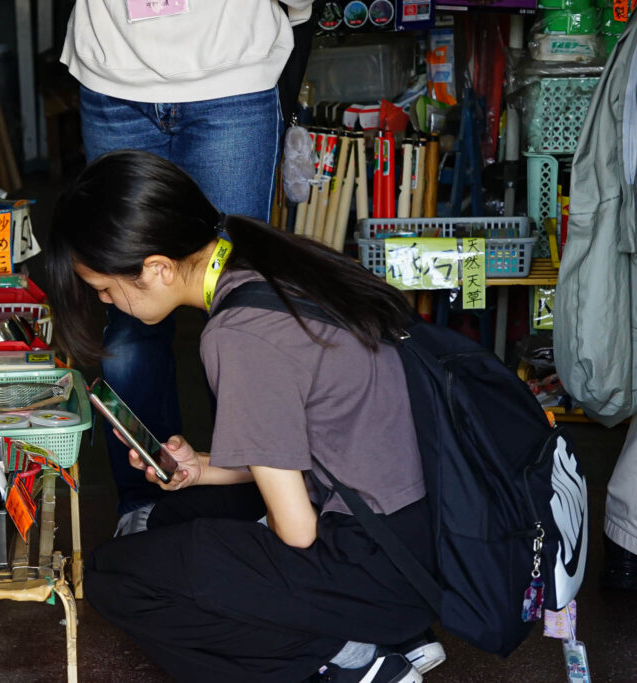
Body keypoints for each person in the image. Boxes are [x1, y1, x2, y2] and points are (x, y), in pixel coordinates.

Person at [47, 150, 444, 682]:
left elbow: (296, 531)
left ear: (157, 268)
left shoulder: (239, 334)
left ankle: (352, 660)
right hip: (420, 539)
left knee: (115, 579)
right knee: (167, 520)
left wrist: (245, 553)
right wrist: (202, 468)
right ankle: (391, 635)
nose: (107, 302)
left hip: (375, 565)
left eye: (103, 289)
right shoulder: (270, 262)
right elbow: (309, 444)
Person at [60, 0, 314, 521]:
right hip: (113, 71)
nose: (97, 296)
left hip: (231, 72)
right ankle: (145, 509)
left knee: (243, 314)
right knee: (129, 320)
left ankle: (264, 505)